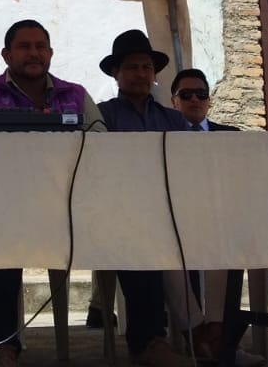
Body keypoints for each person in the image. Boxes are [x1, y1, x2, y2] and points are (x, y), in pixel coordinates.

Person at [0, 20, 105, 367]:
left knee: (141, 234)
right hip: (5, 209)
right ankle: (1, 346)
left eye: (40, 46)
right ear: (6, 54)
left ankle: (149, 340)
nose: (34, 53)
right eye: (24, 47)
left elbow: (102, 144)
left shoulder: (76, 95)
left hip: (70, 209)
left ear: (50, 53)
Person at [90, 29, 187, 367]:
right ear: (116, 74)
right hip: (119, 213)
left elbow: (186, 167)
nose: (141, 74)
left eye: (147, 67)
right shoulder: (102, 115)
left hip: (167, 212)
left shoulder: (173, 119)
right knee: (138, 242)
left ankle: (203, 335)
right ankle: (149, 341)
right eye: (132, 67)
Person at [162, 68, 264, 366]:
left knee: (222, 248)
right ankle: (199, 334)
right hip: (178, 224)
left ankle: (215, 337)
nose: (194, 99)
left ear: (209, 100)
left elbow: (245, 183)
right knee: (165, 257)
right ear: (173, 101)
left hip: (221, 224)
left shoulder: (231, 137)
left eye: (201, 94)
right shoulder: (163, 138)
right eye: (186, 95)